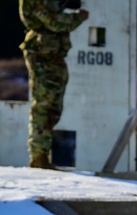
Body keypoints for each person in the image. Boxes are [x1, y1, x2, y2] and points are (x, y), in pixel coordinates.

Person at [19, 0, 89, 170]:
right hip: (42, 55)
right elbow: (53, 21)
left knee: (53, 108)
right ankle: (38, 156)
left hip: (54, 55)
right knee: (43, 105)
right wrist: (77, 18)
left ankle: (42, 155)